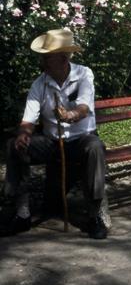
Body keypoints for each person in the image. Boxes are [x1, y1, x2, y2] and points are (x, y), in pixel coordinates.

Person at [0, 28, 108, 240]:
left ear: (63, 58)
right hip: (52, 143)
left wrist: (70, 115)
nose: (43, 62)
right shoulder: (39, 83)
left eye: (47, 58)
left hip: (81, 140)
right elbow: (28, 119)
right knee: (15, 146)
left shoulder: (84, 74)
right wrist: (24, 133)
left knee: (95, 147)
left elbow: (84, 107)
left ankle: (95, 215)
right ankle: (21, 214)